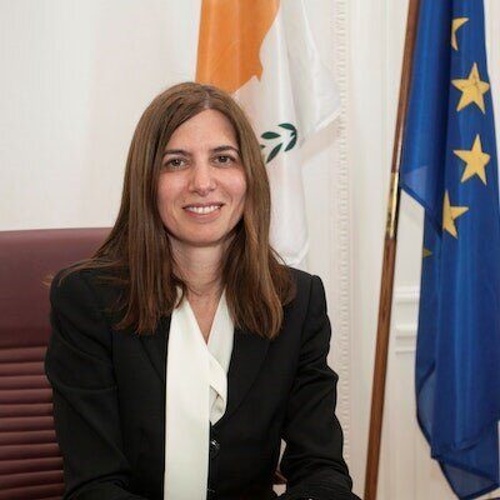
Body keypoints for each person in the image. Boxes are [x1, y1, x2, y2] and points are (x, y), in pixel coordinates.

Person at [45, 82, 359, 500]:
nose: (203, 182)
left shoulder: (296, 301)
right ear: (146, 181)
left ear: (248, 176)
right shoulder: (87, 300)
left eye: (223, 158)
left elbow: (321, 470)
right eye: (176, 162)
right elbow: (95, 487)